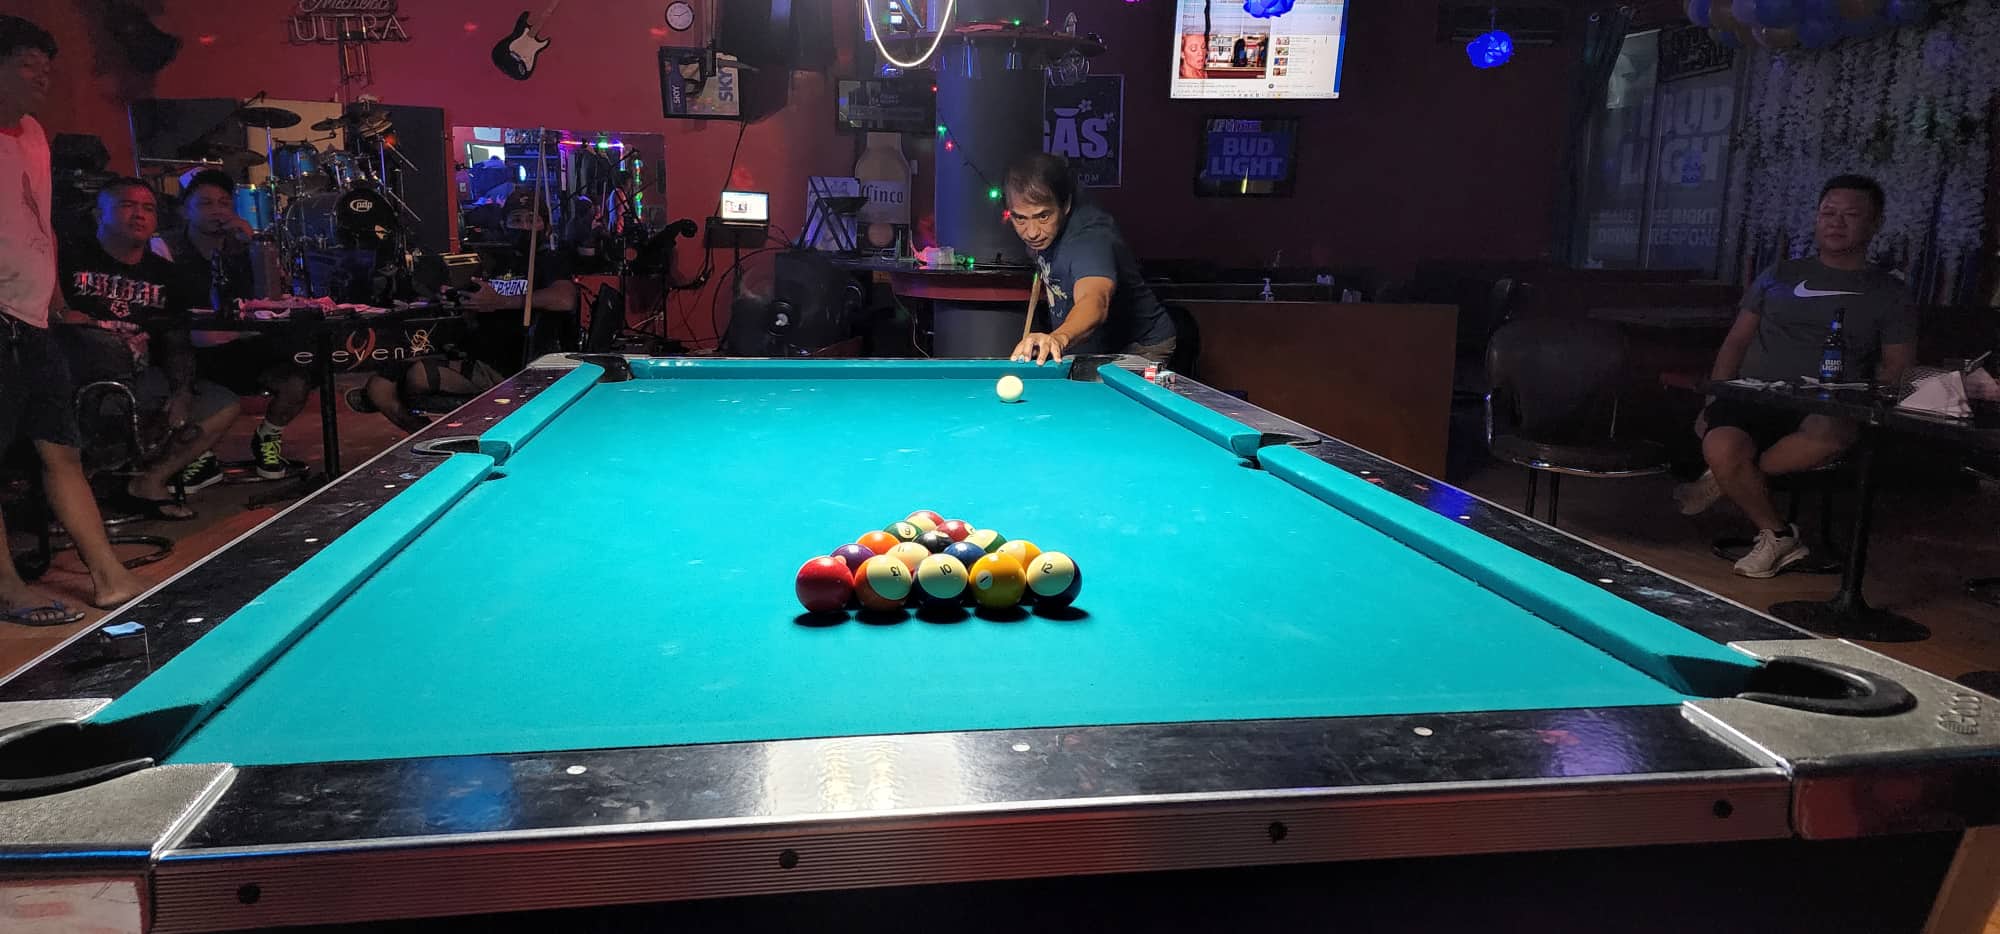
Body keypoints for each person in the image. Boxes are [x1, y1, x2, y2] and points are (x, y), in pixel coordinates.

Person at [1679, 174, 1917, 578]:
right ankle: (1777, 535)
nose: (1836, 223)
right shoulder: (1779, 274)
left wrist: (1873, 403)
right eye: (1828, 213)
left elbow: (1899, 366)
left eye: (1850, 215)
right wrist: (1713, 397)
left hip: (1829, 404)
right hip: (1754, 395)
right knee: (1721, 445)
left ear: (1875, 224)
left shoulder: (1889, 292)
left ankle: (1730, 478)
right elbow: (1736, 341)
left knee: (1820, 435)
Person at [0, 14, 145, 618]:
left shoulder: (34, 133)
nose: (43, 77)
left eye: (47, 67)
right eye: (29, 65)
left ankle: (110, 577)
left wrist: (57, 301)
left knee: (62, 448)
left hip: (31, 318)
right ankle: (8, 587)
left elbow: (39, 223)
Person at [57, 177, 241, 519]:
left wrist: (181, 391)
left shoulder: (167, 275)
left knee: (221, 405)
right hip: (79, 378)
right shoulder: (69, 257)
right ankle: (78, 491)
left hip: (141, 376)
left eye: (148, 208)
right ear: (100, 215)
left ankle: (148, 482)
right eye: (127, 205)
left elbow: (176, 339)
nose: (139, 215)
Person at [153, 169, 311, 480]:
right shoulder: (165, 247)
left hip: (243, 344)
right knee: (182, 367)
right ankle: (200, 453)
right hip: (191, 348)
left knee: (299, 374)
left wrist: (254, 246)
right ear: (186, 209)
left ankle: (268, 434)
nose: (217, 211)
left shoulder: (243, 246)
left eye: (224, 203)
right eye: (206, 204)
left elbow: (271, 298)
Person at [1004, 152, 1176, 365]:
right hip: (1092, 344)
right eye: (1020, 218)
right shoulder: (1041, 232)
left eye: (1043, 216)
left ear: (1065, 205)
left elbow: (1095, 300)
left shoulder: (1090, 240)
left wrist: (1058, 337)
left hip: (1140, 347)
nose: (1031, 232)